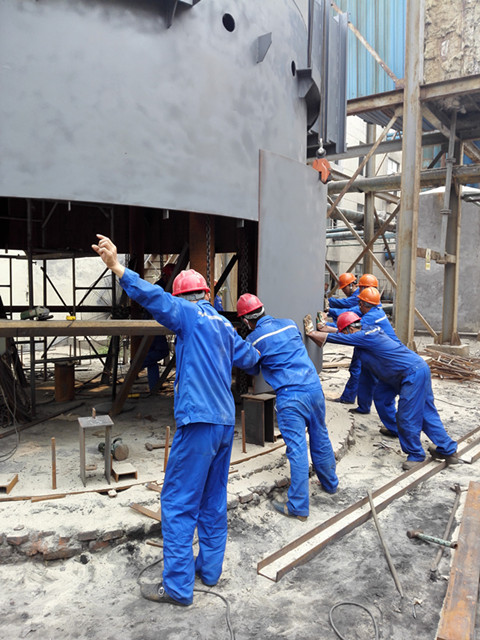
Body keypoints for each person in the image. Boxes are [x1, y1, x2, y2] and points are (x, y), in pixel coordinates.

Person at [92, 234, 260, 606]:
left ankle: (179, 588)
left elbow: (155, 298)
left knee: (178, 503)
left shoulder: (187, 314)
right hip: (224, 425)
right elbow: (251, 359)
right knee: (212, 500)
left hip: (198, 423)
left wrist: (118, 267)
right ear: (207, 294)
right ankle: (210, 571)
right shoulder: (223, 325)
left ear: (183, 296)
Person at [306, 311, 459, 471]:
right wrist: (325, 327)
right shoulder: (366, 330)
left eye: (344, 332)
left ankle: (416, 454)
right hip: (400, 374)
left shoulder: (364, 337)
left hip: (411, 374)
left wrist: (310, 332)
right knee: (381, 397)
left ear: (350, 330)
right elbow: (341, 334)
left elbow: (335, 338)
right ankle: (441, 447)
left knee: (408, 416)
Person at [236, 293, 338, 521]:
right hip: (314, 388)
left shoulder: (254, 339)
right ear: (263, 309)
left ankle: (298, 507)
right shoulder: (290, 325)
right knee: (320, 435)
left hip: (291, 398)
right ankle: (330, 484)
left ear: (245, 321)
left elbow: (252, 368)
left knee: (297, 449)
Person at [141, 264, 175, 392]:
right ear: (165, 276)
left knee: (153, 356)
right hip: (152, 323)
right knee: (162, 351)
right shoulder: (159, 288)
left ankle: (154, 385)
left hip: (154, 321)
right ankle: (138, 363)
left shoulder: (164, 286)